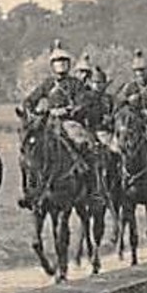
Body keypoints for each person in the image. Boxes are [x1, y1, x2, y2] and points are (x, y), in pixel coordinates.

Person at [19, 41, 102, 208]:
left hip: (69, 123)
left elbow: (82, 104)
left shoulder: (75, 84)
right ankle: (30, 191)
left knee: (86, 145)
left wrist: (67, 110)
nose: (61, 65)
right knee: (29, 149)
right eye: (58, 62)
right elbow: (29, 100)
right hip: (48, 122)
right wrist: (33, 112)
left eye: (64, 61)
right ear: (52, 65)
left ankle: (94, 189)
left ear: (69, 64)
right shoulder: (47, 84)